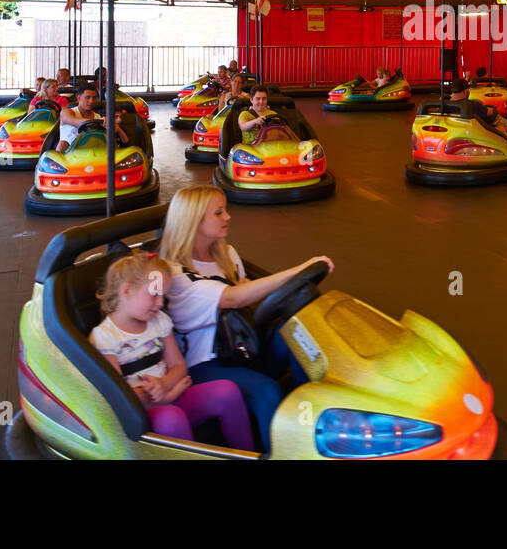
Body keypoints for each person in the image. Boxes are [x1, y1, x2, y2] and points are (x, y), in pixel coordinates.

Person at [158, 186, 333, 451]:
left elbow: (246, 299)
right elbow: (233, 298)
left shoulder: (227, 255)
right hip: (206, 365)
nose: (228, 217)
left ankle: (318, 414)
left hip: (244, 349)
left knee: (298, 333)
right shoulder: (177, 275)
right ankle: (282, 453)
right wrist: (299, 270)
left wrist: (249, 288)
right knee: (266, 391)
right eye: (218, 212)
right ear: (193, 220)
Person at [91, 252, 253, 450]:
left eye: (163, 296)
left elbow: (178, 366)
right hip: (142, 412)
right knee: (171, 418)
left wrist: (165, 384)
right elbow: (120, 397)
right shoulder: (105, 337)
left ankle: (247, 452)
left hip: (170, 397)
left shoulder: (159, 320)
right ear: (126, 291)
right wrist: (170, 393)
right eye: (154, 294)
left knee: (227, 391)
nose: (160, 303)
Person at [58, 85, 126, 152]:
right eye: (88, 97)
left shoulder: (98, 117)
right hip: (69, 153)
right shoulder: (67, 112)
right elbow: (72, 120)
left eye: (94, 98)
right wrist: (99, 122)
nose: (91, 101)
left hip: (92, 151)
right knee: (62, 144)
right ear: (78, 98)